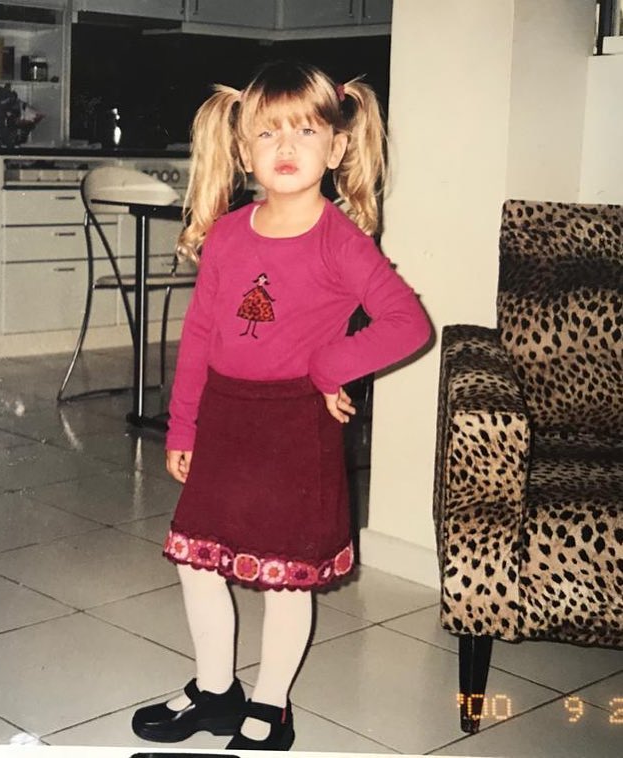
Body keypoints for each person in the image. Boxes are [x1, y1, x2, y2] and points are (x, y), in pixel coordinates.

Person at [131, 60, 431, 751]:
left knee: (284, 577)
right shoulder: (229, 233)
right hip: (225, 419)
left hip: (296, 426)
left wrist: (331, 366)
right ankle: (216, 691)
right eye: (267, 134)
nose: (286, 147)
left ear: (338, 146)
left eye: (305, 131)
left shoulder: (342, 242)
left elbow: (408, 324)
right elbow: (200, 334)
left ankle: (272, 703)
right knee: (196, 561)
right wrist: (183, 424)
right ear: (244, 153)